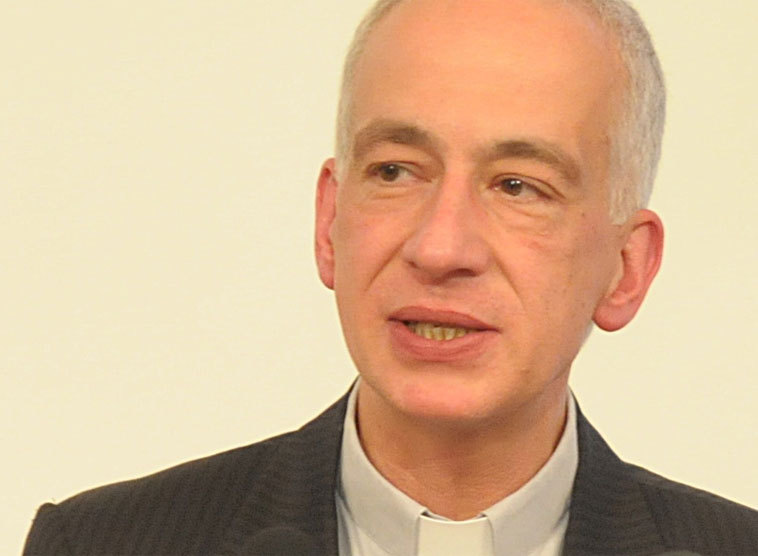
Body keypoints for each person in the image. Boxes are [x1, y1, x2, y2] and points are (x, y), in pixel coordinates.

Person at [23, 0, 758, 554]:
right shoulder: (98, 543)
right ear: (329, 223)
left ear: (627, 269)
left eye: (517, 186)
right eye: (396, 172)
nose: (439, 248)